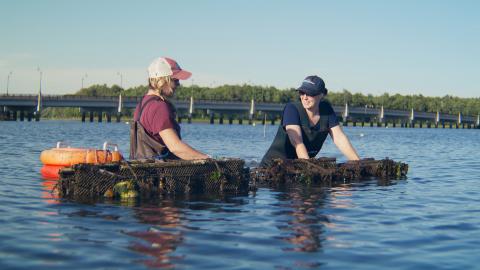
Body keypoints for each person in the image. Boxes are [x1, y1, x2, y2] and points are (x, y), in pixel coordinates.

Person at [260, 75, 359, 166]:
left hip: (299, 168)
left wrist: (357, 163)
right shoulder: (292, 109)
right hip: (272, 167)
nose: (305, 97)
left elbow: (339, 138)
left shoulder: (326, 109)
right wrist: (309, 167)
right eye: (302, 93)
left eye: (310, 93)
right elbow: (297, 141)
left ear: (321, 94)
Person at [130, 57, 209, 160]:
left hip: (144, 169)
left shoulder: (142, 103)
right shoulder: (159, 107)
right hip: (161, 172)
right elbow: (175, 147)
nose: (178, 84)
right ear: (162, 79)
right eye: (175, 80)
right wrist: (208, 159)